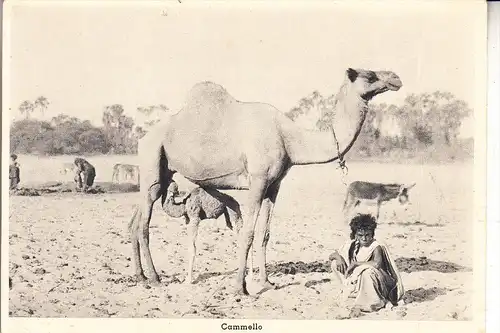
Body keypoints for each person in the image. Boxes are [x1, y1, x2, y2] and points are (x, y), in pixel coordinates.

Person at [329, 214, 404, 312]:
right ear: (355, 235)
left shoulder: (376, 246)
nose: (364, 239)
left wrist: (356, 264)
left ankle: (374, 301)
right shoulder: (351, 244)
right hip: (357, 280)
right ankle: (352, 291)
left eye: (367, 235)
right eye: (360, 235)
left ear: (372, 234)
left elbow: (377, 264)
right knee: (335, 264)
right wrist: (339, 258)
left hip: (379, 283)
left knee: (367, 271)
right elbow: (332, 255)